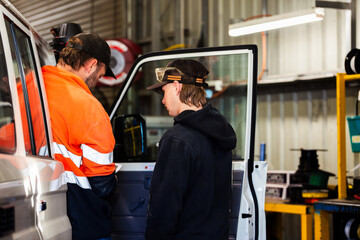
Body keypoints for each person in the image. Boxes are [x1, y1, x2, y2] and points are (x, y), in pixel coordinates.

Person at [145, 59, 237, 240]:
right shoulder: (220, 134)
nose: (163, 100)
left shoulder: (176, 139)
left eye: (164, 91)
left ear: (177, 87)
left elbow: (165, 207)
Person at [41, 33, 117, 240]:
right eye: (100, 75)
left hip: (36, 207)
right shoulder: (89, 106)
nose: (97, 81)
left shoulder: (28, 89)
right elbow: (101, 183)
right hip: (79, 217)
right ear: (91, 64)